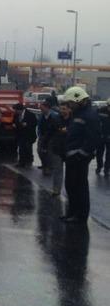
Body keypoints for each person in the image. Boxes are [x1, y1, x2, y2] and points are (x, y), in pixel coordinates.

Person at [60, 87, 101, 224]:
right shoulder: (78, 113)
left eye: (70, 103)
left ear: (78, 100)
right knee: (70, 186)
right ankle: (72, 212)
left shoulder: (89, 115)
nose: (69, 105)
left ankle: (80, 215)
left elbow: (93, 138)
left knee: (80, 187)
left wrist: (81, 154)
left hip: (79, 158)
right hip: (72, 156)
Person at [46, 100, 68, 195]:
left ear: (69, 109)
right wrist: (45, 144)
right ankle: (56, 189)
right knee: (57, 170)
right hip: (57, 148)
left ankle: (69, 190)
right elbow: (49, 132)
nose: (62, 111)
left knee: (70, 172)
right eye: (61, 109)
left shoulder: (73, 120)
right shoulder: (55, 119)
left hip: (69, 148)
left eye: (64, 109)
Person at [37, 100, 60, 176]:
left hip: (51, 137)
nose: (41, 110)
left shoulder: (55, 116)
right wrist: (39, 134)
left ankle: (49, 167)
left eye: (42, 108)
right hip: (42, 136)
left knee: (50, 153)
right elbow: (39, 126)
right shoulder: (41, 115)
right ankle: (44, 164)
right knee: (40, 151)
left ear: (47, 108)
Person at [13, 103, 38, 167]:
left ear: (20, 110)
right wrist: (15, 124)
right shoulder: (16, 115)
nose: (15, 112)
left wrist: (27, 124)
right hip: (20, 134)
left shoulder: (30, 115)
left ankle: (29, 161)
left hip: (29, 134)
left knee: (28, 148)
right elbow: (15, 121)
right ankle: (21, 162)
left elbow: (35, 123)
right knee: (21, 148)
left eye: (16, 110)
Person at [96, 100, 110, 175]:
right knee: (99, 153)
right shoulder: (101, 110)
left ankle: (106, 168)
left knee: (109, 154)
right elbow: (95, 121)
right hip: (100, 136)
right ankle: (99, 166)